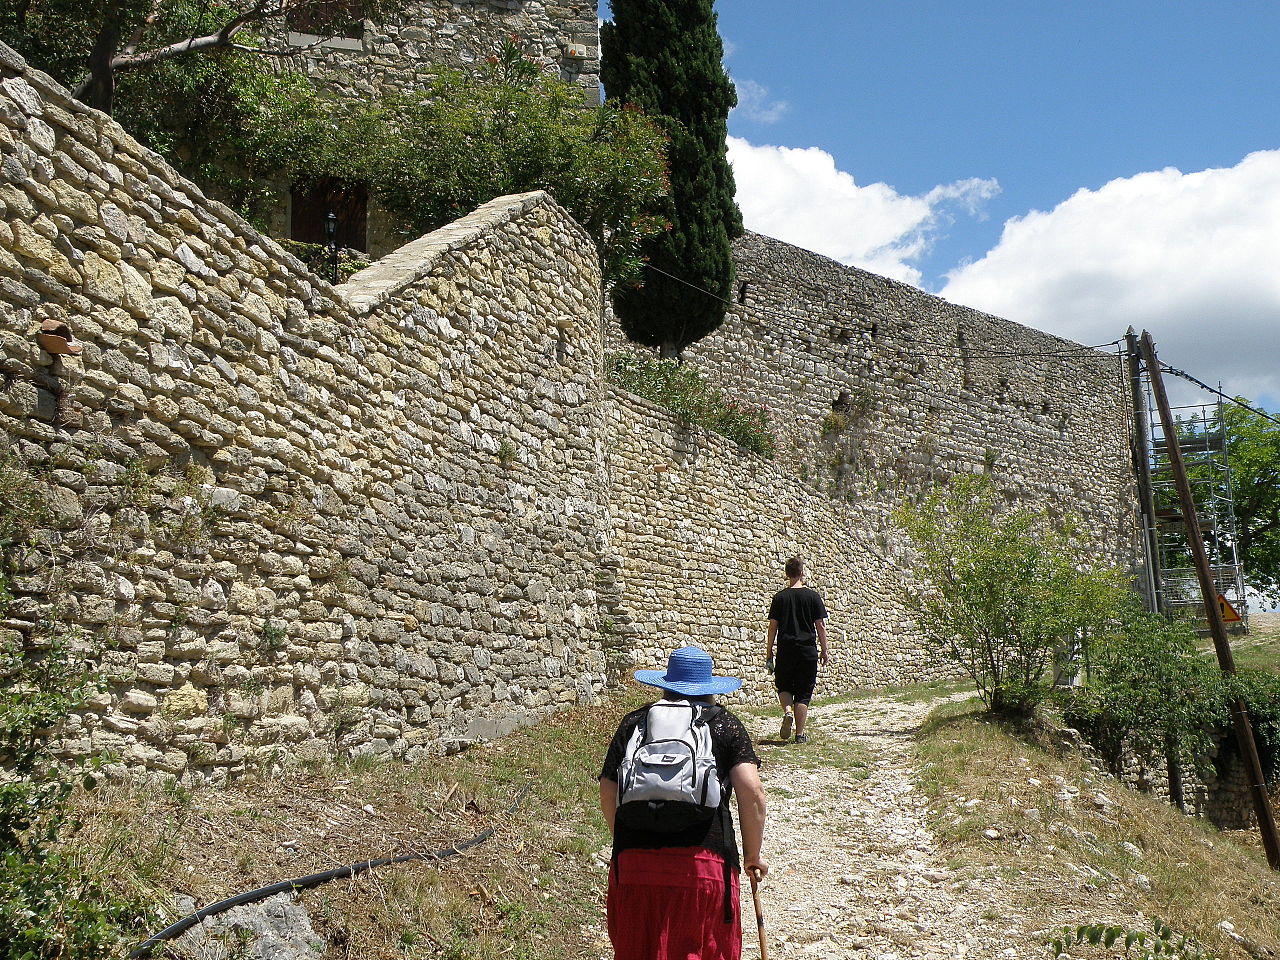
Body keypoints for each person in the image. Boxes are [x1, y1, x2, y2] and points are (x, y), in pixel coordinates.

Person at [599, 645, 768, 960]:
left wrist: (624, 838)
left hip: (635, 867)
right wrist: (752, 856)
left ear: (665, 684)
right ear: (709, 689)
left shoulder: (635, 723)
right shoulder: (723, 724)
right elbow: (753, 792)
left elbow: (608, 789)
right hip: (704, 869)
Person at [764, 557, 829, 743]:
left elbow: (773, 627)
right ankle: (800, 735)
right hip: (807, 651)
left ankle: (787, 711)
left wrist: (769, 651)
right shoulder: (813, 597)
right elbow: (820, 626)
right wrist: (824, 650)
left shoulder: (779, 598)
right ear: (802, 573)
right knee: (803, 692)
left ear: (787, 574)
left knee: (784, 685)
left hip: (786, 649)